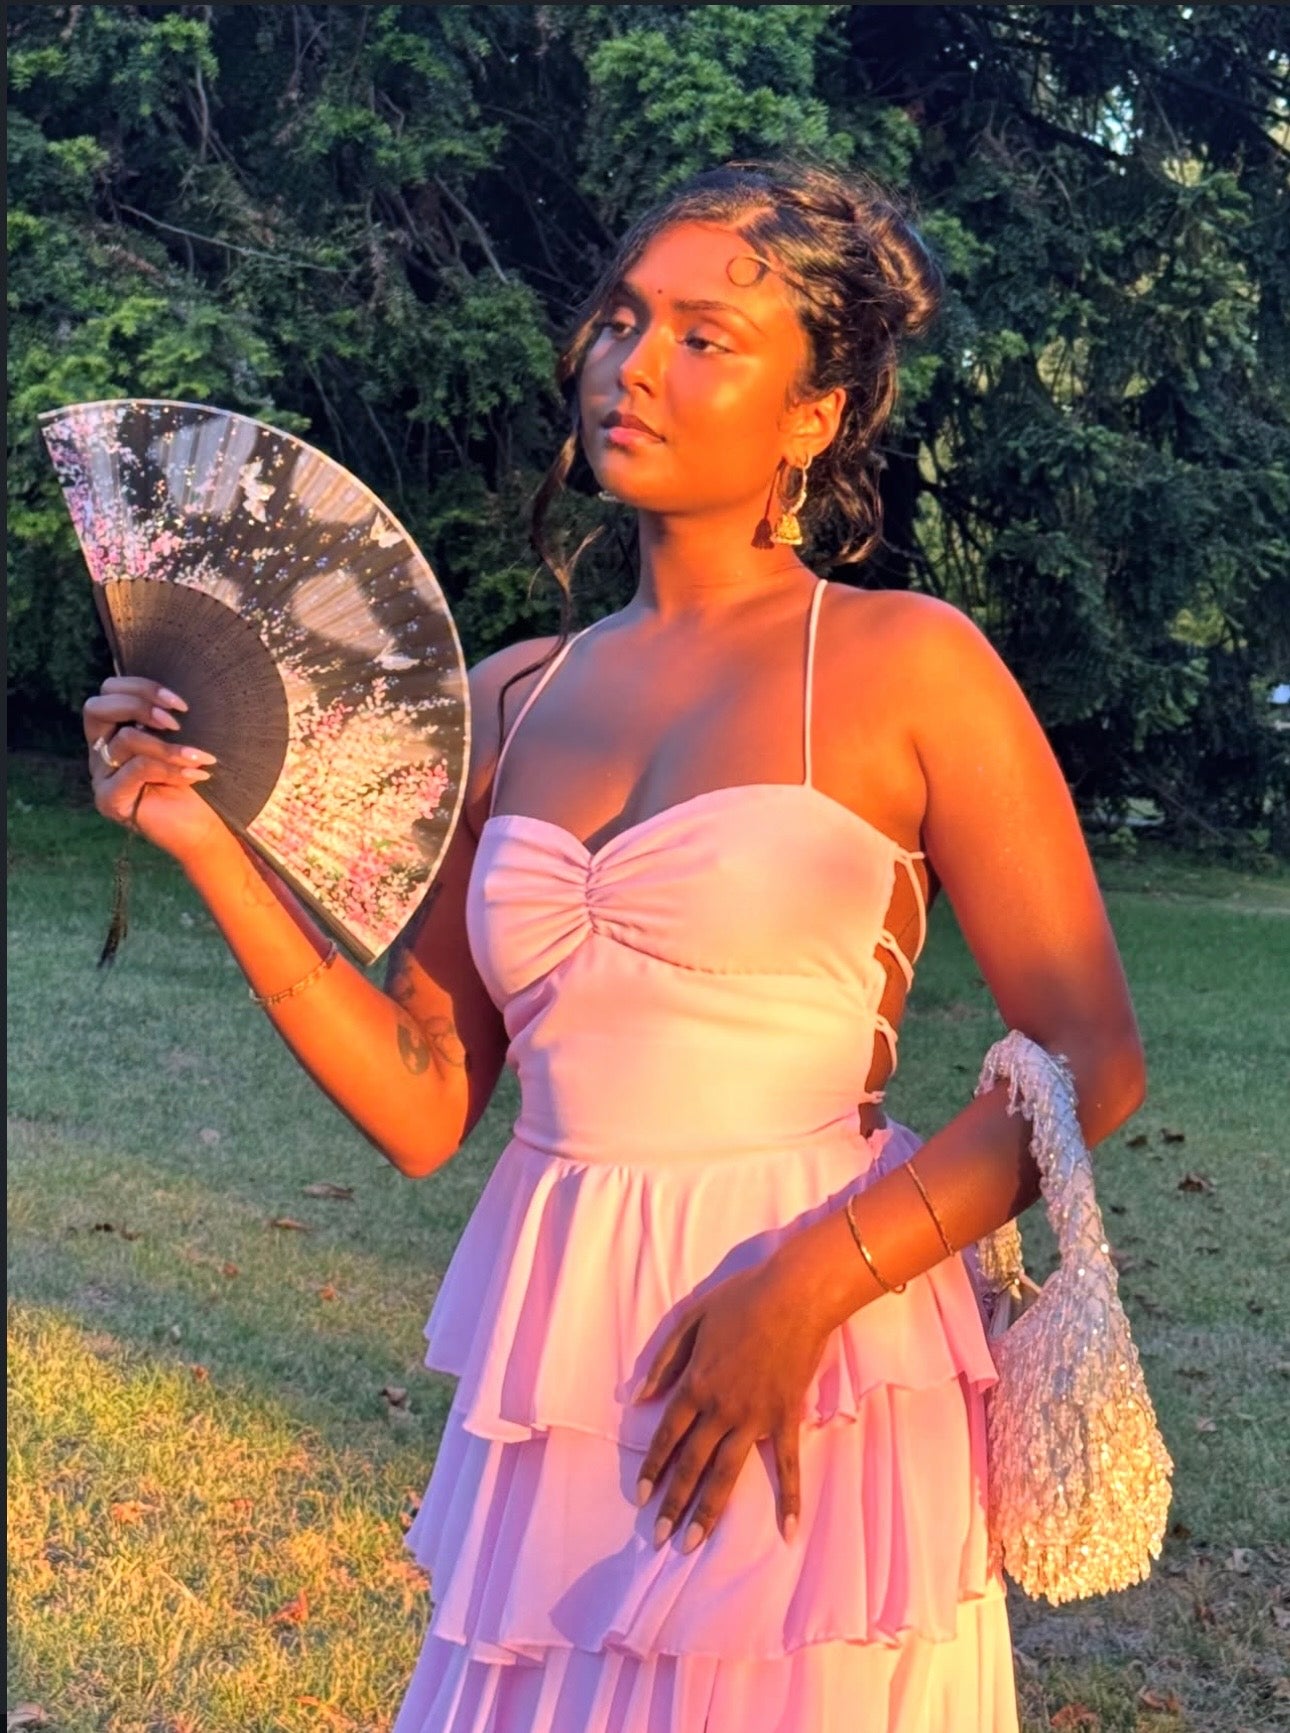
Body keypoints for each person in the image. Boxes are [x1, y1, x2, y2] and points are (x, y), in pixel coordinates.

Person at [83, 160, 1146, 1732]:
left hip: (825, 1340)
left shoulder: (906, 663)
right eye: (623, 318)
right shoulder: (509, 695)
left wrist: (804, 1284)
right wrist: (206, 844)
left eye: (705, 337)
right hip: (564, 1359)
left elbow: (1089, 1060)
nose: (631, 363)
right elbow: (428, 1096)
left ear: (813, 411)